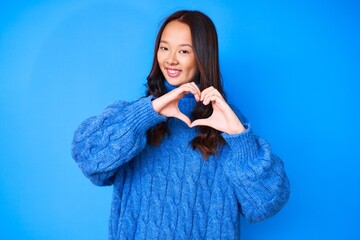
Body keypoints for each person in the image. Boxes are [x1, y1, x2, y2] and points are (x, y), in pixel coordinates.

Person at [71, 10, 290, 240]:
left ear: (202, 57)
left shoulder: (227, 121)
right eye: (164, 48)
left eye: (183, 51)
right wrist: (148, 112)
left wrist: (239, 136)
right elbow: (89, 161)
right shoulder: (136, 117)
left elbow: (265, 204)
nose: (170, 59)